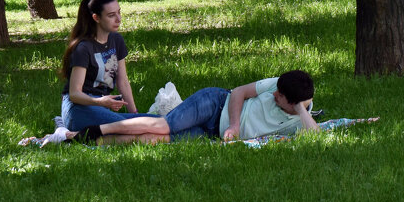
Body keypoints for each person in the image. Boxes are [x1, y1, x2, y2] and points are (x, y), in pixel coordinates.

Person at [67, 70, 320, 145]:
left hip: (211, 134)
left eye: (280, 96)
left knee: (159, 140)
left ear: (293, 103)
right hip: (215, 104)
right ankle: (97, 129)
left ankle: (86, 141)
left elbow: (316, 137)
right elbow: (239, 92)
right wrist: (233, 124)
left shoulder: (300, 115)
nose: (274, 94)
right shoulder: (280, 84)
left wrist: (300, 110)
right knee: (161, 125)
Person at [59, 0, 156, 131]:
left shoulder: (116, 40)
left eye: (119, 12)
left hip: (101, 106)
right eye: (111, 15)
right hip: (78, 109)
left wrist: (134, 113)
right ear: (96, 18)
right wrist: (99, 102)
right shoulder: (83, 48)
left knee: (156, 121)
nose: (118, 19)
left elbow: (122, 81)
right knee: (142, 126)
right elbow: (74, 94)